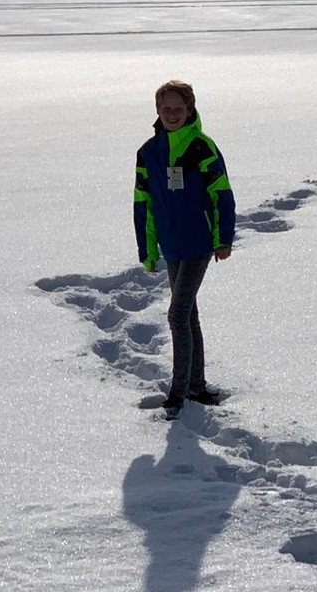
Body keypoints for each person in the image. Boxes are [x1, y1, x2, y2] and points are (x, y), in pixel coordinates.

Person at [133, 80, 236, 417]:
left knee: (177, 314)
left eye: (179, 108)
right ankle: (196, 384)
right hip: (171, 246)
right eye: (167, 108)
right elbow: (143, 204)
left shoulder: (202, 148)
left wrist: (223, 238)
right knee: (188, 315)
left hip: (199, 244)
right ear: (158, 111)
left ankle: (178, 393)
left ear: (190, 109)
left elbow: (222, 194)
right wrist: (147, 249)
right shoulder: (148, 153)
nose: (173, 114)